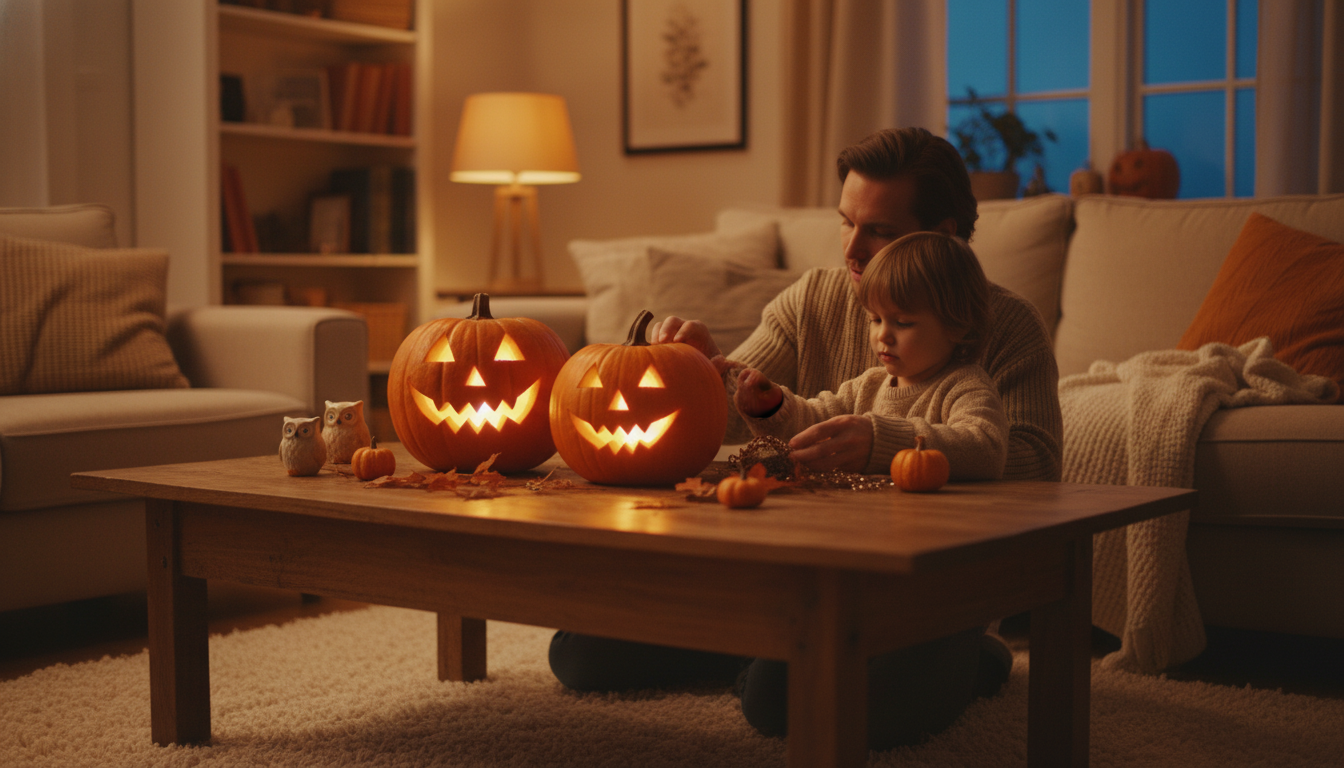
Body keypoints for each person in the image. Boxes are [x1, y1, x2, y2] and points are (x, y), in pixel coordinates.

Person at [549, 126, 1061, 750]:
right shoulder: (813, 297)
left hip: (918, 589)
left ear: (942, 237)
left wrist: (885, 441)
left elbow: (1034, 463)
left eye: (879, 231)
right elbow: (750, 417)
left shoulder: (1004, 327)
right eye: (846, 222)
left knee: (781, 703)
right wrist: (709, 372)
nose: (852, 247)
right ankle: (764, 657)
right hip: (796, 573)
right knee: (579, 655)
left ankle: (971, 656)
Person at [733, 230, 1008, 483]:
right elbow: (816, 422)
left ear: (955, 326)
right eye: (876, 319)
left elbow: (986, 448)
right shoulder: (867, 386)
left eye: (902, 323)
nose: (883, 336)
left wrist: (884, 441)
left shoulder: (964, 386)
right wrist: (774, 407)